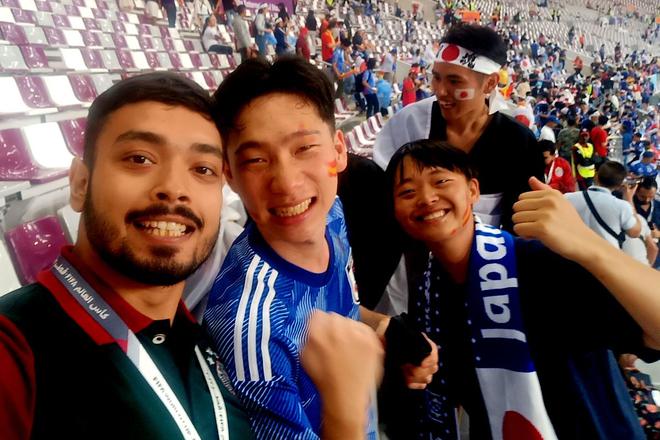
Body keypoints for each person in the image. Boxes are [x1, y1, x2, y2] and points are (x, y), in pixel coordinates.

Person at [0, 72, 385, 440]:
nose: (173, 188)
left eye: (201, 168)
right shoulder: (15, 350)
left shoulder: (195, 344)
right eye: (140, 159)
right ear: (81, 184)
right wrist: (346, 414)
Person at [381, 139, 660, 439]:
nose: (426, 198)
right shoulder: (429, 292)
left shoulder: (539, 262)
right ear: (396, 211)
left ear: (473, 190)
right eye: (407, 192)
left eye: (441, 181)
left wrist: (588, 244)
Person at [203, 57, 380, 439]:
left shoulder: (330, 212)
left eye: (304, 149)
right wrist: (347, 407)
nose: (285, 182)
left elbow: (337, 303)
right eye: (256, 160)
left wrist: (381, 327)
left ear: (338, 150)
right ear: (229, 174)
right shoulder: (249, 330)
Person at [374, 24, 544, 231]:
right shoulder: (410, 122)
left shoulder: (518, 143)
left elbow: (521, 227)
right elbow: (382, 197)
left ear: (490, 84)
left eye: (454, 81)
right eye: (436, 78)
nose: (440, 91)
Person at [565, 160, 641, 249]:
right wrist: (629, 199)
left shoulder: (568, 198)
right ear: (620, 185)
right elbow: (635, 232)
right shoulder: (622, 206)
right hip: (606, 257)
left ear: (596, 176)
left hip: (574, 253)